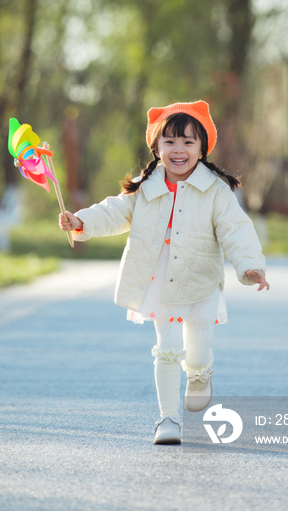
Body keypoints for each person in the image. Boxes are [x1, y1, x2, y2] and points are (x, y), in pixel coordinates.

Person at [59, 100, 269, 445]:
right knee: (168, 349)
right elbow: (113, 212)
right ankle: (168, 419)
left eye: (188, 142)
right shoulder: (145, 186)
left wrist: (250, 267)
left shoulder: (216, 190)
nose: (179, 150)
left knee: (196, 348)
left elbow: (236, 230)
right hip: (160, 281)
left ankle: (200, 371)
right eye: (169, 141)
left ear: (202, 148)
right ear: (156, 148)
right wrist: (82, 221)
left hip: (200, 280)